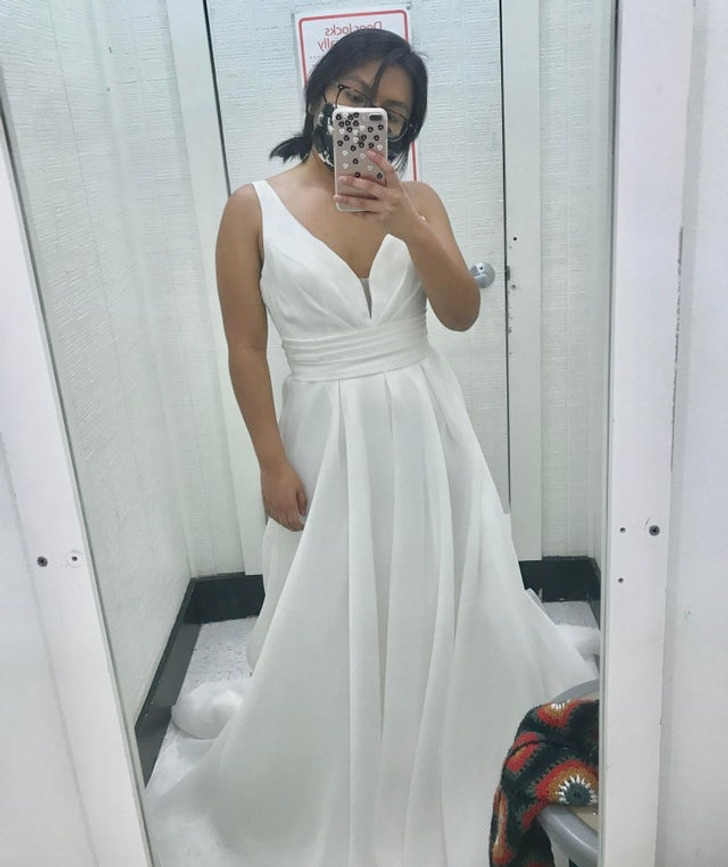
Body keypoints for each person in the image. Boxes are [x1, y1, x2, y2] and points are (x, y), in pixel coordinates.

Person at [144, 29, 595, 867]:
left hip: (425, 425)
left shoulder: (420, 203)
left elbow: (459, 313)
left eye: (390, 110)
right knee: (331, 597)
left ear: (406, 128)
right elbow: (245, 347)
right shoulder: (252, 208)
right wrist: (271, 460)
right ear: (320, 92)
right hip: (321, 433)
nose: (365, 116)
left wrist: (408, 223)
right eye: (352, 95)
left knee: (436, 584)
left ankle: (448, 733)